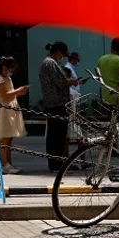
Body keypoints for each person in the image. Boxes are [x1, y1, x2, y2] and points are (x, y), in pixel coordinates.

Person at [41, 41, 78, 172]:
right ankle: (56, 164)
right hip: (57, 104)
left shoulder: (47, 63)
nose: (62, 57)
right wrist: (72, 81)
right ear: (57, 52)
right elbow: (60, 82)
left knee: (54, 136)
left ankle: (55, 163)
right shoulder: (51, 64)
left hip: (52, 103)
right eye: (62, 54)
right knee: (57, 137)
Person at [0, 56, 27, 175]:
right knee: (5, 138)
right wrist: (20, 90)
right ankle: (5, 164)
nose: (12, 71)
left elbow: (11, 94)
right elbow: (6, 94)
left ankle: (9, 163)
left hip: (10, 108)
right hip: (5, 110)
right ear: (4, 68)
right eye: (11, 68)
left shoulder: (7, 78)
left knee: (9, 138)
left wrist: (19, 92)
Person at [98, 38, 119, 110]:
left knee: (108, 120)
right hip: (118, 98)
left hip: (105, 97)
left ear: (111, 46)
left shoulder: (101, 59)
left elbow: (98, 74)